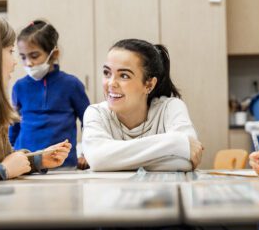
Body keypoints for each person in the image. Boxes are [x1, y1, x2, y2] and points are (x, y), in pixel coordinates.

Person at [0, 9, 71, 186]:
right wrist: (3, 170)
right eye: (10, 51)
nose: (16, 62)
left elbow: (5, 159)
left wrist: (37, 160)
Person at [82, 38, 203, 171]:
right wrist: (176, 143)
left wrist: (114, 161)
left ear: (149, 84)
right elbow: (98, 159)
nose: (111, 83)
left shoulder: (171, 108)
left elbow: (185, 163)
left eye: (124, 76)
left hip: (162, 191)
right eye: (107, 73)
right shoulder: (96, 112)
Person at [9, 20, 90, 168]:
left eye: (34, 56)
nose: (28, 63)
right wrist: (9, 152)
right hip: (26, 164)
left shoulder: (71, 84)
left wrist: (87, 153)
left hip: (63, 164)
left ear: (54, 54)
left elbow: (90, 122)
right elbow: (14, 124)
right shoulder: (19, 87)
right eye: (23, 57)